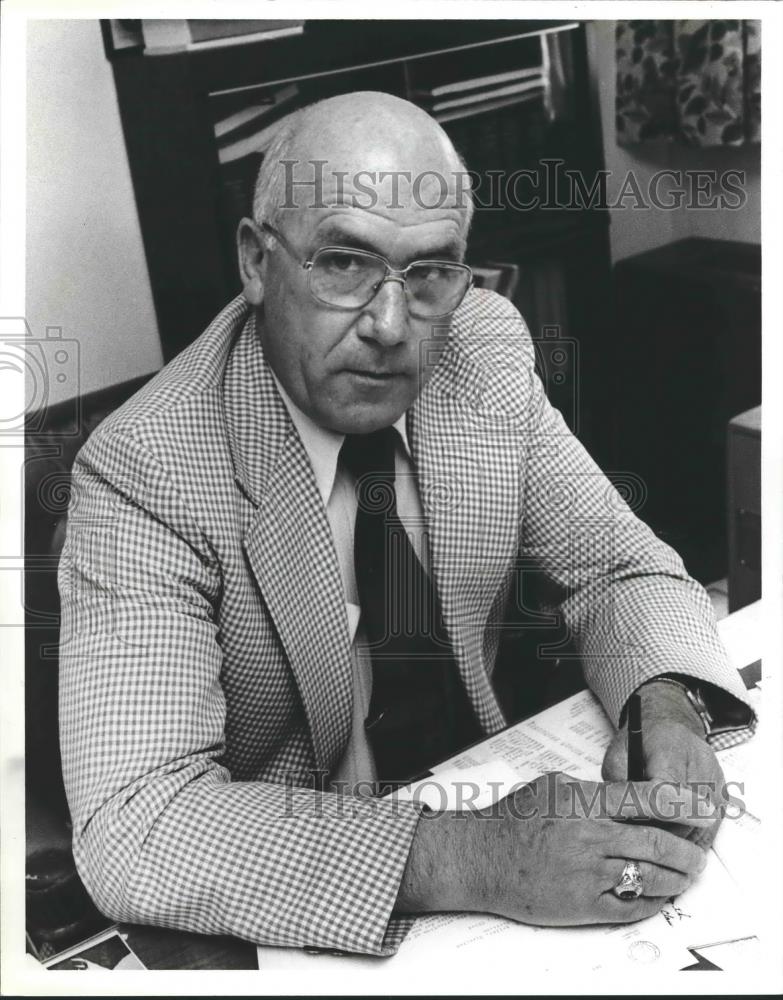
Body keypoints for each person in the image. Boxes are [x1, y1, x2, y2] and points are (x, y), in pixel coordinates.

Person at [58, 92, 755, 957]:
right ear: (254, 260)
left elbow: (617, 569)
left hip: (488, 826)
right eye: (345, 263)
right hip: (305, 899)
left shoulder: (481, 352)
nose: (392, 327)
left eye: (427, 274)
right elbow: (134, 821)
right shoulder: (147, 468)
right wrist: (475, 855)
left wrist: (668, 706)